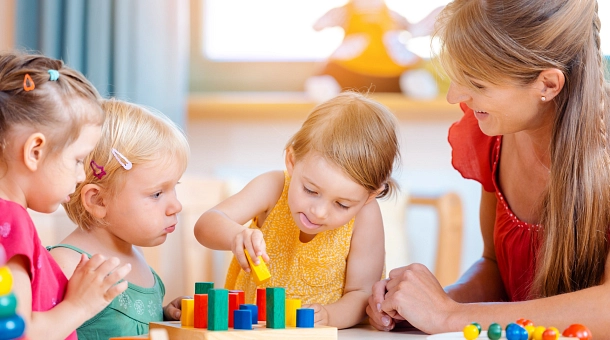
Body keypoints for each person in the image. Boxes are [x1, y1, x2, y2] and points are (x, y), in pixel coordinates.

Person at [366, 0, 610, 335]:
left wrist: (450, 316)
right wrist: (430, 305)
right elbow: (495, 268)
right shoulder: (494, 139)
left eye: (477, 83)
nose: (455, 96)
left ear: (548, 85)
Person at [194, 91, 400, 329]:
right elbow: (206, 224)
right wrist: (234, 236)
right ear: (292, 161)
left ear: (369, 196)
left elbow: (362, 292)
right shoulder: (273, 187)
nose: (320, 212)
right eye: (311, 190)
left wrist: (330, 316)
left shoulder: (366, 216)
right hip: (251, 333)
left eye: (342, 204)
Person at [0, 52, 132, 340]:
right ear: (35, 151)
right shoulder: (10, 221)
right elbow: (18, 334)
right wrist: (80, 305)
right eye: (77, 160)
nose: (82, 175)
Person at [48, 98, 190, 339]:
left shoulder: (137, 256)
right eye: (157, 194)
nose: (176, 206)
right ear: (98, 201)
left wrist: (165, 316)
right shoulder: (66, 264)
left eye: (174, 187)